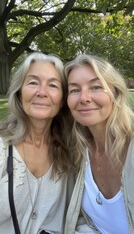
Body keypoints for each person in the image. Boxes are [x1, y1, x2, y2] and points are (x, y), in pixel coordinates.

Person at [0, 52, 75, 234]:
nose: (42, 92)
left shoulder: (72, 152)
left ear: (63, 99)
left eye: (53, 85)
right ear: (19, 92)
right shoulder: (2, 148)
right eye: (33, 82)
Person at [64, 54, 134, 234]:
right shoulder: (78, 152)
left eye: (95, 87)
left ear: (116, 93)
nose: (84, 98)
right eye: (74, 90)